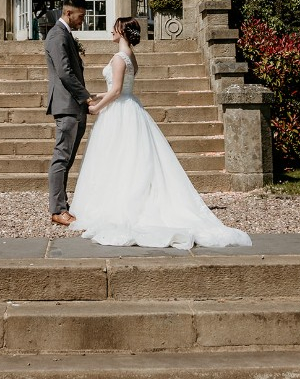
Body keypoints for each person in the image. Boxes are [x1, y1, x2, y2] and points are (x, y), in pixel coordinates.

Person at [69, 17, 252, 249]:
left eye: (114, 28)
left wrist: (96, 107)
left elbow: (115, 91)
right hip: (131, 107)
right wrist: (95, 96)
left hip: (118, 111)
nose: (111, 31)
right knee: (132, 159)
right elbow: (120, 89)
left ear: (122, 32)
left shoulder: (118, 58)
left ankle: (118, 206)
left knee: (117, 159)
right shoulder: (132, 58)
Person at [44, 0, 94, 226]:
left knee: (68, 158)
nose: (82, 21)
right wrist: (85, 97)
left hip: (74, 105)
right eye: (80, 16)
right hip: (66, 105)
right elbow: (64, 72)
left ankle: (62, 204)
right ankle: (57, 210)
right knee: (61, 157)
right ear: (68, 13)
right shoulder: (56, 35)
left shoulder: (65, 34)